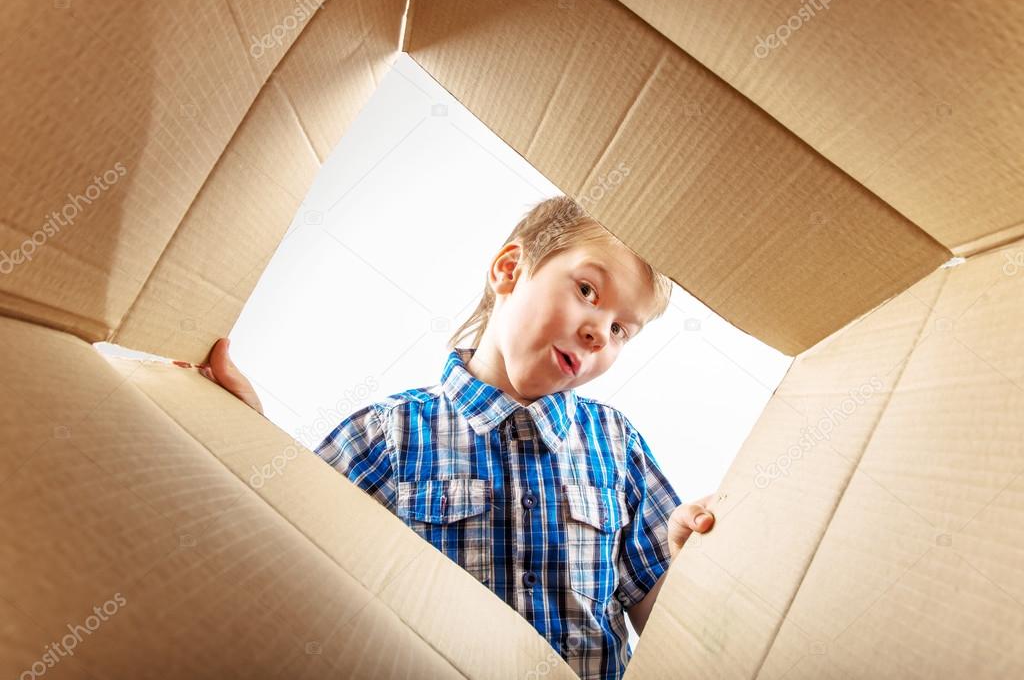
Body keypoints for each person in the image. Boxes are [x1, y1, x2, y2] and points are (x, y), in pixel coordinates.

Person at [197, 195, 715, 680]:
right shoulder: (385, 434)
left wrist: (690, 558)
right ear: (509, 270)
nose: (599, 332)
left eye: (622, 329)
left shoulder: (616, 446)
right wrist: (252, 447)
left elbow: (668, 625)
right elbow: (287, 560)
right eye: (587, 291)